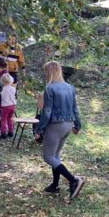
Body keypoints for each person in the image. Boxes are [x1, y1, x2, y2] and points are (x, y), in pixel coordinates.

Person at [34, 60, 85, 201]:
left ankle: (73, 180)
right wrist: (77, 125)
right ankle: (55, 185)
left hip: (55, 125)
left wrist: (39, 129)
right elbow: (75, 109)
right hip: (68, 125)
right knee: (55, 156)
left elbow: (47, 111)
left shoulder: (50, 88)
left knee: (48, 157)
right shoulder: (70, 87)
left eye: (46, 72)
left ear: (49, 72)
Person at [0, 72, 17, 139]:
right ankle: (11, 132)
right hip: (12, 105)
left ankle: (3, 133)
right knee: (10, 118)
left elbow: (0, 97)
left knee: (3, 119)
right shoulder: (13, 88)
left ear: (2, 82)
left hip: (5, 106)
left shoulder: (2, 89)